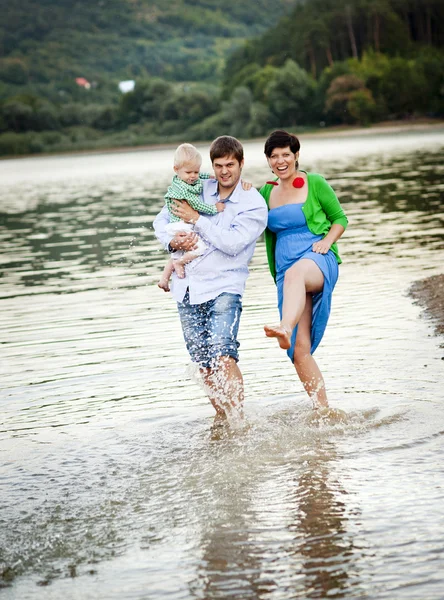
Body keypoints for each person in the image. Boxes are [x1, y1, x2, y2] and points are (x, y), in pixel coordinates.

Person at [153, 136, 268, 425]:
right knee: (202, 362)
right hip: (187, 289)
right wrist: (172, 240)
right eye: (218, 165)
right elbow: (161, 221)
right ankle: (223, 418)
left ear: (241, 164)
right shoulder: (197, 187)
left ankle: (239, 423)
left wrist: (197, 219)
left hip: (225, 287)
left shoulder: (252, 203)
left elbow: (232, 244)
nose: (224, 171)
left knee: (223, 355)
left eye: (230, 164)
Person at [259, 130, 348, 410]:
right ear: (268, 161)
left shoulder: (315, 183)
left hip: (317, 259)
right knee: (299, 351)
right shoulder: (265, 192)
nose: (281, 161)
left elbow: (340, 219)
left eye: (286, 154)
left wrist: (326, 242)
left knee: (298, 274)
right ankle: (323, 412)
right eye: (274, 156)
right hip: (287, 273)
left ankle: (285, 326)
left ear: (296, 155)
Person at [158, 143, 225, 292]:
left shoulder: (181, 179)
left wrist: (209, 175)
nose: (193, 176)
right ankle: (180, 264)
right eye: (189, 172)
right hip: (181, 224)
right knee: (199, 248)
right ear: (176, 169)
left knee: (177, 251)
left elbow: (198, 176)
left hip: (177, 225)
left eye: (196, 171)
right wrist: (215, 208)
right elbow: (197, 205)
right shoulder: (183, 189)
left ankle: (164, 278)